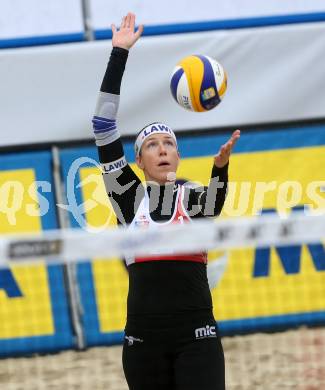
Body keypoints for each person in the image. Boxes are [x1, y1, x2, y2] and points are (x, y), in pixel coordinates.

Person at [92, 12, 240, 390]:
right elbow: (103, 125)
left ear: (177, 157)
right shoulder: (129, 197)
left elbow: (214, 204)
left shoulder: (192, 197)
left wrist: (220, 169)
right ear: (138, 161)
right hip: (143, 340)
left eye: (169, 144)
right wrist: (119, 54)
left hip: (198, 336)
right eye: (151, 145)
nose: (162, 150)